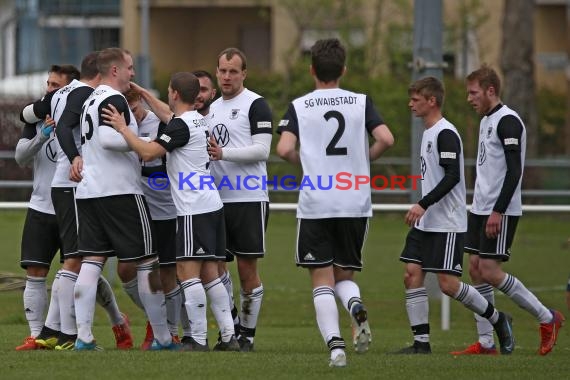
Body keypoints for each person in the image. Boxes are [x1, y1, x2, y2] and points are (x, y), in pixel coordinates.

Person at [276, 38, 394, 367]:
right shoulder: (361, 102)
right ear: (343, 69)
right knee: (344, 277)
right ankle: (355, 305)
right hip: (355, 201)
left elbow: (284, 149)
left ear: (312, 69)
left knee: (320, 279)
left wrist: (308, 162)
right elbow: (386, 138)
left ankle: (336, 348)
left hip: (318, 202)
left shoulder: (299, 106)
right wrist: (363, 161)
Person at [105, 72, 238, 351]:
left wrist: (122, 128)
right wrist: (143, 93)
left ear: (175, 93)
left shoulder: (180, 127)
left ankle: (197, 339)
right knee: (211, 274)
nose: (167, 95)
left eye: (168, 90)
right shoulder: (198, 119)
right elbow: (169, 115)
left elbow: (149, 152)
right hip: (212, 205)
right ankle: (228, 337)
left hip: (193, 208)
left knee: (187, 273)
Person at [394, 76, 516, 355]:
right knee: (411, 274)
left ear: (432, 101)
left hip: (446, 222)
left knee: (448, 285)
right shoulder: (428, 132)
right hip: (427, 222)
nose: (410, 104)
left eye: (416, 99)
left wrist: (422, 204)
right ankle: (421, 344)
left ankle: (498, 319)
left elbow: (452, 176)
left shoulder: (445, 132)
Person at [20, 52, 133, 351]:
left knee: (80, 260)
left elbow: (27, 114)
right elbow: (68, 128)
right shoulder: (86, 94)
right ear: (102, 72)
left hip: (61, 183)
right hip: (73, 181)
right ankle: (67, 335)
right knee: (78, 260)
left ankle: (52, 330)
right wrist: (75, 157)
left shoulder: (61, 93)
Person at [451, 65, 565, 356]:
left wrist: (498, 211)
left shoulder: (508, 121)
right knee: (476, 269)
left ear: (491, 90)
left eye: (474, 92)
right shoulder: (487, 120)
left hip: (498, 210)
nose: (469, 98)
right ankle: (487, 342)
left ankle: (547, 318)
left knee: (489, 269)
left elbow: (515, 171)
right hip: (480, 207)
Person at [72, 47, 174, 351]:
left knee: (91, 262)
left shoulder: (90, 98)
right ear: (114, 70)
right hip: (120, 192)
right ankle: (164, 339)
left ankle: (84, 338)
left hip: (90, 192)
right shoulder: (113, 98)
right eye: (129, 67)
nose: (133, 72)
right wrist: (143, 143)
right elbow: (108, 139)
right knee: (147, 262)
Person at [207, 48, 271, 351]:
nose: (227, 76)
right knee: (216, 268)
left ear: (244, 73)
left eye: (233, 71)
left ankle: (248, 335)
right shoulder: (212, 108)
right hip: (216, 201)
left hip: (248, 197)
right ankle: (231, 327)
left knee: (247, 272)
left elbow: (262, 150)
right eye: (222, 70)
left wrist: (224, 154)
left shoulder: (256, 105)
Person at [14, 64, 79, 351]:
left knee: (79, 271)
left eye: (56, 86)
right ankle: (37, 335)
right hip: (41, 206)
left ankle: (114, 320)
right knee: (35, 272)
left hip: (73, 206)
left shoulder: (81, 118)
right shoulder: (37, 116)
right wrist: (42, 134)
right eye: (48, 84)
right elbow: (20, 158)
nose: (49, 90)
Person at [124, 87, 181, 349]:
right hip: (136, 210)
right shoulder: (115, 124)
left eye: (134, 109)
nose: (131, 117)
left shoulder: (160, 122)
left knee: (166, 274)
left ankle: (170, 331)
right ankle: (155, 318)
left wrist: (142, 91)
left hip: (166, 211)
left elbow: (172, 117)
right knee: (126, 271)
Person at [193, 69, 240, 333]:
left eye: (203, 90)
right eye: (194, 88)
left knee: (215, 266)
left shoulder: (216, 120)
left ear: (212, 94)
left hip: (215, 202)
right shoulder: (178, 120)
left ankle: (229, 323)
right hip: (185, 204)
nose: (198, 95)